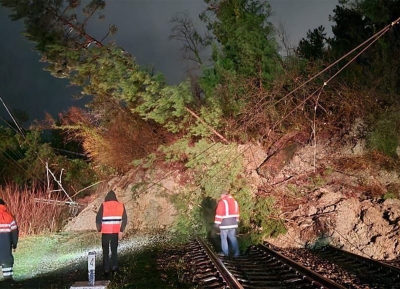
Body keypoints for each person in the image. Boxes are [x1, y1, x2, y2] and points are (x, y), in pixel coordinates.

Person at [96, 190, 127, 277]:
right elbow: (125, 219)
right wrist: (121, 230)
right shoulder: (121, 206)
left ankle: (106, 269)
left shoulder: (103, 205)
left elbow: (98, 218)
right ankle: (114, 267)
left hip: (105, 232)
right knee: (114, 250)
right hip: (115, 232)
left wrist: (99, 229)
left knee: (105, 251)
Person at [214, 192, 240, 257]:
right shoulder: (235, 201)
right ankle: (236, 253)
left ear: (224, 195)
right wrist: (236, 221)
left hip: (224, 224)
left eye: (221, 195)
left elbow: (219, 213)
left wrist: (217, 224)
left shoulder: (222, 202)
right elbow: (237, 212)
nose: (221, 196)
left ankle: (225, 253)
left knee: (224, 238)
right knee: (232, 237)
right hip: (233, 223)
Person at [0, 198, 19, 282]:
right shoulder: (9, 217)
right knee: (6, 260)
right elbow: (14, 232)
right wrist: (14, 244)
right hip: (6, 246)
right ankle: (8, 280)